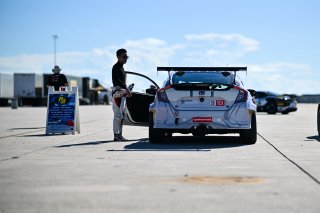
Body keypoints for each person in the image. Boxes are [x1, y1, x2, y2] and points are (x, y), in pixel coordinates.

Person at [111, 48, 132, 141]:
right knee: (118, 115)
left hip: (122, 93)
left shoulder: (121, 67)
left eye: (127, 57)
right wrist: (127, 89)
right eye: (124, 57)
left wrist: (127, 89)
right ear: (118, 57)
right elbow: (117, 81)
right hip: (117, 93)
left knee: (122, 115)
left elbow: (121, 82)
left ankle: (120, 134)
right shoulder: (115, 67)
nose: (126, 58)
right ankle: (116, 135)